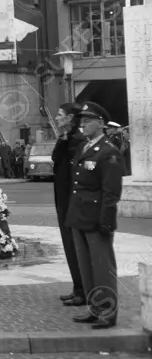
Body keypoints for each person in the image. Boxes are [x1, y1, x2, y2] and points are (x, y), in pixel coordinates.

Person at [65, 101, 123, 330]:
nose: (83, 124)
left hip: (97, 218)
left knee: (101, 267)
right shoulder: (85, 148)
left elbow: (111, 192)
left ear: (101, 123)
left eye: (88, 121)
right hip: (79, 216)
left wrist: (106, 221)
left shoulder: (109, 152)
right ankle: (94, 309)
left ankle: (108, 313)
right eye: (81, 121)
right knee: (86, 267)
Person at [53, 102, 88, 307]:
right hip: (63, 200)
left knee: (76, 247)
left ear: (70, 119)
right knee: (69, 246)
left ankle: (83, 290)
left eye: (60, 114)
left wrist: (67, 141)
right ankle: (77, 287)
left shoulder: (78, 141)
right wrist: (64, 141)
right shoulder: (66, 139)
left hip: (72, 203)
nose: (57, 118)